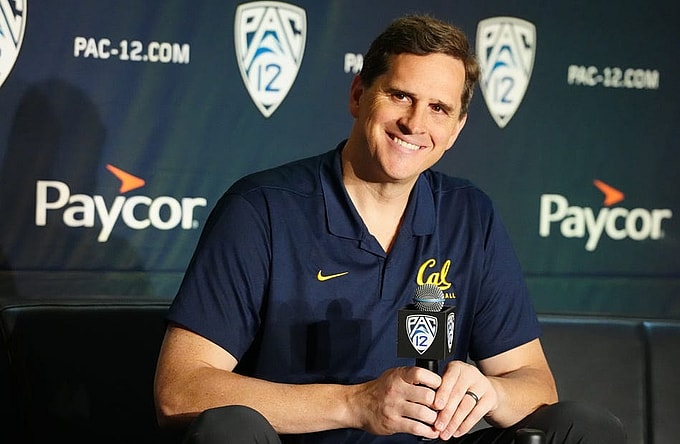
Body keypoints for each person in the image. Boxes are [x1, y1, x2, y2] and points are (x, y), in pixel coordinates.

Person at [154, 14, 626, 444]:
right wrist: (354, 404)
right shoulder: (262, 210)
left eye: (439, 108)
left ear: (458, 127)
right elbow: (181, 390)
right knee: (228, 429)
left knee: (583, 428)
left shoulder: (468, 215)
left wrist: (491, 393)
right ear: (359, 95)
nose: (415, 123)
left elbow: (534, 382)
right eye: (401, 96)